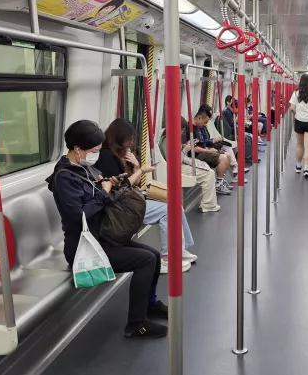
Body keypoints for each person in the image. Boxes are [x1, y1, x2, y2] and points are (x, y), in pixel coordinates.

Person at [47, 120, 166, 339]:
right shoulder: (64, 178)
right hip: (85, 246)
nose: (96, 155)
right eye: (93, 151)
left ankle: (150, 304)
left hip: (102, 236)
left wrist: (110, 183)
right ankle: (136, 324)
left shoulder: (86, 169)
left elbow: (100, 193)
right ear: (77, 149)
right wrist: (103, 192)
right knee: (145, 261)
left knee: (155, 256)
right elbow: (78, 215)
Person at [95, 118, 196, 274]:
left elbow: (130, 185)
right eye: (129, 139)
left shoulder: (122, 155)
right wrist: (140, 170)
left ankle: (180, 250)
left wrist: (135, 165)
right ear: (119, 137)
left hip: (127, 199)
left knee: (176, 207)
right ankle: (167, 258)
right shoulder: (106, 156)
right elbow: (122, 187)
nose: (131, 143)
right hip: (119, 207)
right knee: (169, 210)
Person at [160, 118, 221, 213]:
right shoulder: (167, 140)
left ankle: (208, 203)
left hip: (179, 164)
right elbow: (173, 162)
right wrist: (184, 150)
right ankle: (208, 204)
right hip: (175, 169)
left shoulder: (170, 138)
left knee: (207, 169)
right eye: (181, 129)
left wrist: (185, 146)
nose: (182, 132)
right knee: (209, 174)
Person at [189, 105, 232, 195]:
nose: (205, 125)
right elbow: (194, 148)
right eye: (205, 122)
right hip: (196, 155)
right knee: (223, 158)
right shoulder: (191, 128)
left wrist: (209, 148)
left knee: (228, 155)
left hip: (204, 150)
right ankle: (218, 185)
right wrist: (208, 150)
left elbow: (202, 143)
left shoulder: (199, 127)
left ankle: (220, 180)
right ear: (200, 118)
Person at [289, 75, 308, 177]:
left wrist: (297, 114)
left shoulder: (296, 93)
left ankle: (298, 166)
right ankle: (306, 168)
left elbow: (292, 108)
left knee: (299, 145)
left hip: (299, 121)